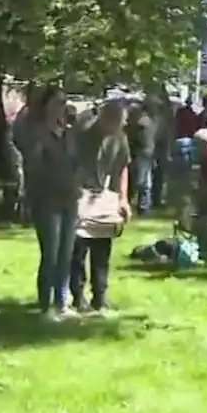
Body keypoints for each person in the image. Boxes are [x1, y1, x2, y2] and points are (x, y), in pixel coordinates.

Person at [21, 86, 81, 318]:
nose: (61, 107)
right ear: (45, 106)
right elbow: (33, 168)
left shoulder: (68, 134)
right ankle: (45, 305)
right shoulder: (37, 134)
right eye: (57, 102)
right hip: (47, 200)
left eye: (64, 102)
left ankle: (62, 303)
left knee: (66, 253)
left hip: (69, 198)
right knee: (51, 253)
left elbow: (76, 162)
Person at [70, 100, 131, 314]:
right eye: (118, 121)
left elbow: (123, 166)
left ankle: (100, 296)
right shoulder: (83, 134)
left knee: (102, 250)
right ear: (105, 118)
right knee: (78, 250)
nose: (121, 126)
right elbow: (72, 165)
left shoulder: (120, 138)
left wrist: (123, 199)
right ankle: (77, 296)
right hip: (82, 197)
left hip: (106, 198)